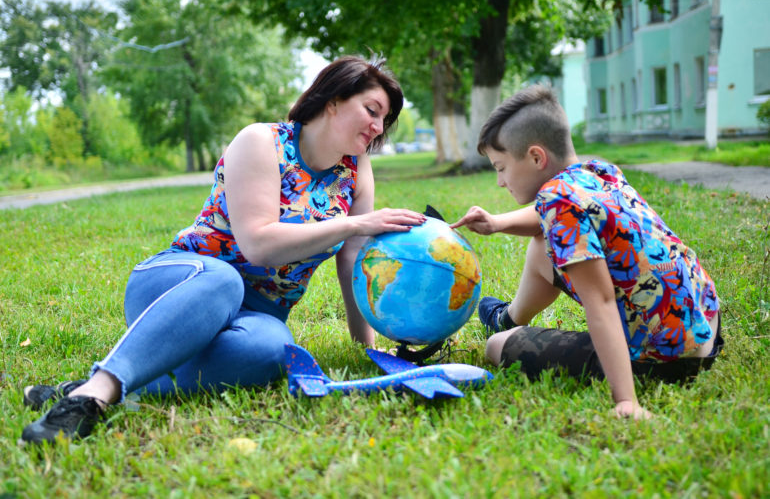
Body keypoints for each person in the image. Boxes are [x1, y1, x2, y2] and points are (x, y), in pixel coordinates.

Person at [21, 56, 427, 444]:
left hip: (260, 312)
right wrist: (355, 223)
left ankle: (112, 382)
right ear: (335, 100)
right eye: (372, 110)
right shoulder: (261, 141)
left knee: (272, 350)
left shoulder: (356, 170)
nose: (378, 126)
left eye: (384, 120)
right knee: (224, 281)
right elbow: (258, 245)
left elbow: (352, 260)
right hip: (185, 283)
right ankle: (89, 397)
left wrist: (366, 351)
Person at [451, 85, 722, 420]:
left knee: (496, 347)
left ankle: (504, 330)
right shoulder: (598, 172)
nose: (499, 181)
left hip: (667, 360)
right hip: (707, 322)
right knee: (542, 246)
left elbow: (602, 303)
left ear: (536, 157)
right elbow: (542, 220)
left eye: (500, 167)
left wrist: (626, 401)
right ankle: (507, 318)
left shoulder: (558, 202)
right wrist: (495, 222)